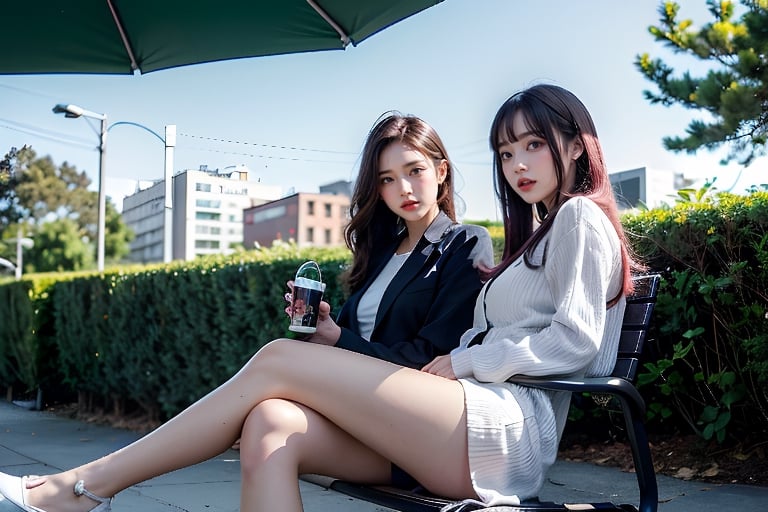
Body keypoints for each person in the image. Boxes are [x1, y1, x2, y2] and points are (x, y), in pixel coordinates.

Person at [0, 84, 641, 512]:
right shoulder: (541, 234)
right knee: (270, 423)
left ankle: (85, 488)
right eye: (507, 151)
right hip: (459, 421)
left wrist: (466, 361)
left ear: (575, 141)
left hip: (501, 431)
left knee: (278, 358)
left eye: (534, 144)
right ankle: (82, 490)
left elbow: (575, 343)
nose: (519, 164)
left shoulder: (580, 218)